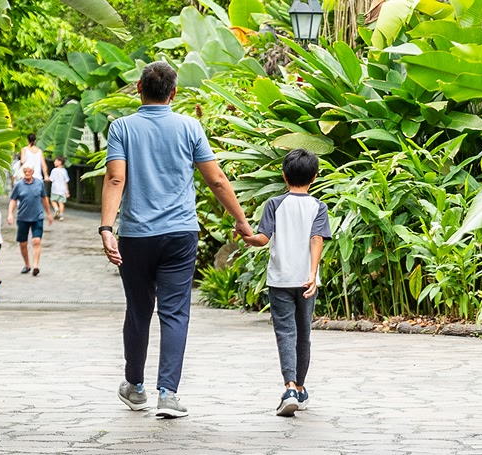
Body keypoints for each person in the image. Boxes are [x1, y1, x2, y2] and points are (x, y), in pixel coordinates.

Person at [99, 61, 253, 419]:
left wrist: (107, 228)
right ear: (174, 93)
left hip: (136, 235)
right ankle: (168, 393)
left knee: (138, 310)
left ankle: (135, 387)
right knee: (175, 313)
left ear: (138, 88)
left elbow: (115, 179)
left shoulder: (122, 128)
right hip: (180, 234)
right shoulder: (190, 126)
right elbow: (216, 180)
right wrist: (242, 222)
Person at [240, 148, 332, 417]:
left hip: (280, 279)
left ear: (283, 175)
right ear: (314, 177)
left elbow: (262, 239)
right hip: (307, 281)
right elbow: (317, 239)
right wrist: (313, 274)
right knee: (303, 334)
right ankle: (301, 388)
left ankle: (290, 387)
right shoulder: (319, 206)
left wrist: (246, 236)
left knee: (285, 333)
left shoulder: (274, 204)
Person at [8, 166, 53, 276]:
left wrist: (49, 213)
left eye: (29, 171)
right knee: (23, 243)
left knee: (36, 241)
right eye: (25, 171)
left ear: (33, 172)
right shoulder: (18, 185)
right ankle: (27, 264)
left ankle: (36, 266)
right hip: (23, 217)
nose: (27, 173)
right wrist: (10, 213)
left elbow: (44, 198)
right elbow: (13, 200)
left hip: (37, 216)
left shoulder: (39, 183)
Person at [48, 156, 70, 221]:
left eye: (56, 161)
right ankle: (61, 215)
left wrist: (46, 178)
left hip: (55, 189)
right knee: (61, 202)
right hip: (63, 190)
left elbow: (51, 179)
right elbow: (66, 181)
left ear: (60, 162)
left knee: (53, 200)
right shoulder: (64, 171)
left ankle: (56, 209)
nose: (54, 162)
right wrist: (67, 191)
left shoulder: (54, 170)